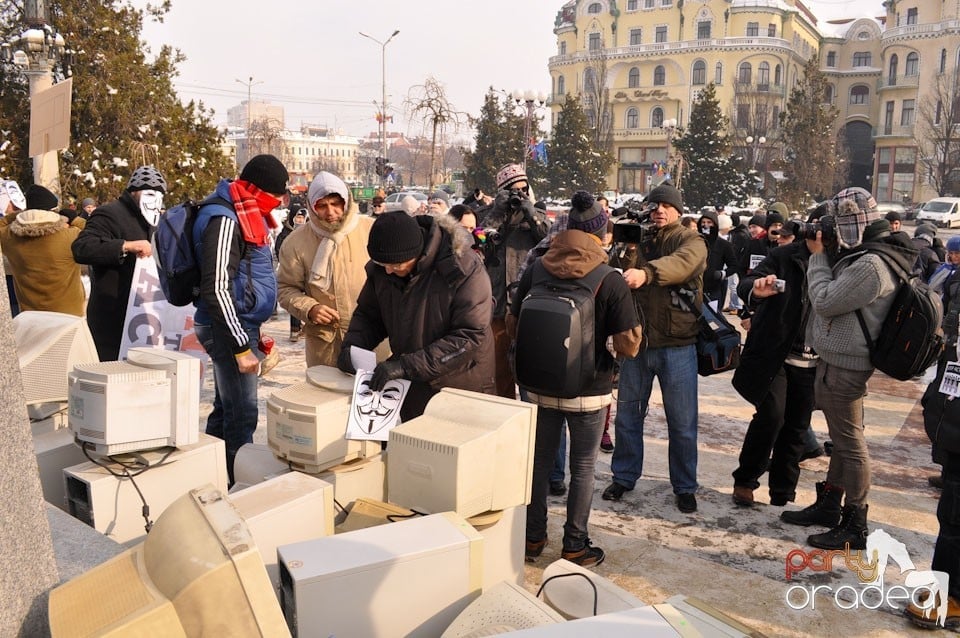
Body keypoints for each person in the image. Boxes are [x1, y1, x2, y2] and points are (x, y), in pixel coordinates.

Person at [780, 187, 917, 551]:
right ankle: (829, 505)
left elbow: (824, 300)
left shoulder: (873, 265)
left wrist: (820, 256)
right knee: (841, 441)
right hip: (838, 361)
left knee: (851, 445)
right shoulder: (868, 254)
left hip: (848, 367)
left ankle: (856, 524)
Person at [510, 191, 641, 568]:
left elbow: (515, 321)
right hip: (589, 390)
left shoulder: (537, 268)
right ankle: (574, 546)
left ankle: (532, 539)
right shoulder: (609, 278)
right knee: (583, 467)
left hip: (537, 387)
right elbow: (629, 345)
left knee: (538, 464)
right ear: (601, 234)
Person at [603, 183, 707, 513]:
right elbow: (616, 269)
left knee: (682, 422)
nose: (660, 210)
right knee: (628, 417)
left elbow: (682, 264)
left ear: (678, 211)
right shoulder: (641, 238)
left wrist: (646, 273)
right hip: (638, 343)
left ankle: (685, 486)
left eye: (667, 205)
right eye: (655, 205)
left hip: (678, 346)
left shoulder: (691, 240)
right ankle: (624, 476)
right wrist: (627, 246)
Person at [336, 210, 495, 421]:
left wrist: (405, 366)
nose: (390, 271)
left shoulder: (464, 269)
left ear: (418, 253)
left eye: (397, 265)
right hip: (413, 383)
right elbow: (369, 315)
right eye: (384, 266)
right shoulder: (384, 267)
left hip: (460, 384)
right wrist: (353, 348)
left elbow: (469, 336)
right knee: (413, 447)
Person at [192, 154, 289, 485]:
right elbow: (217, 287)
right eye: (276, 193)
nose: (278, 201)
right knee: (241, 414)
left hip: (237, 325)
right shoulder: (226, 219)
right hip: (226, 328)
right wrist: (240, 346)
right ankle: (239, 485)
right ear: (260, 190)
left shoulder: (242, 211)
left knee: (225, 408)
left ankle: (212, 475)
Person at [730, 220, 819, 508]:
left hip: (814, 359)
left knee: (797, 425)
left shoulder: (841, 262)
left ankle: (783, 491)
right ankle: (745, 479)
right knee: (771, 416)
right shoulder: (784, 256)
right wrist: (755, 290)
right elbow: (748, 282)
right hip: (775, 354)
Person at [277, 171, 374, 366]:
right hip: (326, 343)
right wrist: (310, 308)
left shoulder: (371, 230)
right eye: (322, 205)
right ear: (312, 207)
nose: (330, 212)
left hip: (372, 339)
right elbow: (285, 289)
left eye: (335, 204)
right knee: (327, 395)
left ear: (346, 201)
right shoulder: (295, 243)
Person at [72, 166, 167, 361]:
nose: (154, 199)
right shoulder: (109, 213)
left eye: (159, 195)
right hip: (113, 316)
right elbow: (82, 248)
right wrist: (125, 246)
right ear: (134, 192)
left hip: (147, 316)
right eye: (148, 193)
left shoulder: (156, 219)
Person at [479, 163, 550, 399]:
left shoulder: (537, 215)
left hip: (526, 305)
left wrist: (530, 212)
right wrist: (497, 212)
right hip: (497, 306)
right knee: (499, 371)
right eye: (512, 190)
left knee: (530, 369)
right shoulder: (488, 215)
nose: (518, 194)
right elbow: (478, 244)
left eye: (523, 188)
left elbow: (547, 240)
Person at [0, 184, 86, 316]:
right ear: (53, 211)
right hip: (68, 315)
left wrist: (18, 214)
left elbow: (2, 224)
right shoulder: (71, 236)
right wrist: (76, 219)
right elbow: (96, 232)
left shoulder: (9, 237)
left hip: (30, 317)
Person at [275, 206, 307, 341]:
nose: (300, 220)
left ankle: (306, 327)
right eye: (297, 217)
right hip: (292, 270)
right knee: (296, 299)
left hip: (308, 271)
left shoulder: (309, 233)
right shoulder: (285, 233)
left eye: (302, 217)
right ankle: (294, 329)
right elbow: (279, 250)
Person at [697, 209, 739, 308]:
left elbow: (734, 266)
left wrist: (722, 274)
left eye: (709, 222)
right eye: (703, 222)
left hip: (714, 289)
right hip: (695, 289)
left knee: (712, 321)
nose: (705, 225)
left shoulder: (724, 245)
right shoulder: (694, 242)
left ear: (715, 224)